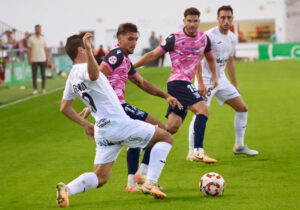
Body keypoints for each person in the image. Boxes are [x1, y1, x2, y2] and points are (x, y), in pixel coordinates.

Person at [56, 32, 174, 208]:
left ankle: (67, 190)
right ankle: (150, 182)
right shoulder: (83, 68)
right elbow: (94, 76)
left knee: (100, 177)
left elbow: (64, 107)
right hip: (119, 124)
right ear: (81, 49)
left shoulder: (72, 76)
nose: (92, 46)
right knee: (165, 137)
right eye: (88, 45)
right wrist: (89, 52)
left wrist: (86, 124)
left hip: (103, 130)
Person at [79, 23, 182, 193]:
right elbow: (98, 76)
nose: (134, 43)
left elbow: (141, 82)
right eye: (130, 39)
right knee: (162, 131)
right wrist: (92, 104)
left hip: (117, 108)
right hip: (117, 107)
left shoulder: (125, 59)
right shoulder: (117, 54)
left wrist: (165, 96)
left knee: (137, 139)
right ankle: (145, 177)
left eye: (136, 39)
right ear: (119, 39)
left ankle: (132, 183)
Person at [134, 7, 218, 163]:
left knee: (170, 129)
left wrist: (213, 75)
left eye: (195, 21)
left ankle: (141, 146)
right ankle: (198, 151)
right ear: (184, 21)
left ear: (199, 21)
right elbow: (153, 54)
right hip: (177, 83)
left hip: (185, 84)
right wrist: (132, 67)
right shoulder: (175, 38)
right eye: (189, 21)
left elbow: (209, 58)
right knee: (203, 111)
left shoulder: (204, 39)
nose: (192, 24)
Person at [188, 5, 258, 157]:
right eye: (223, 18)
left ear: (232, 18)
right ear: (218, 19)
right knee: (200, 113)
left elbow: (230, 61)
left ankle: (239, 146)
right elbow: (197, 61)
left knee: (242, 108)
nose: (226, 21)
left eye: (229, 17)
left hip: (221, 79)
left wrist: (235, 84)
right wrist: (199, 82)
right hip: (206, 79)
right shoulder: (208, 36)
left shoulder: (232, 37)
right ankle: (193, 152)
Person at [28, 24, 49, 94]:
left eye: (39, 29)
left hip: (42, 59)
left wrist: (47, 59)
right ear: (35, 29)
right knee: (34, 75)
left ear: (40, 29)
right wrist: (29, 59)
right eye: (37, 29)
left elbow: (46, 49)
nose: (38, 30)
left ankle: (43, 88)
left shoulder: (43, 39)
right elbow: (29, 50)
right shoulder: (31, 39)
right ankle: (35, 89)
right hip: (34, 59)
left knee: (43, 74)